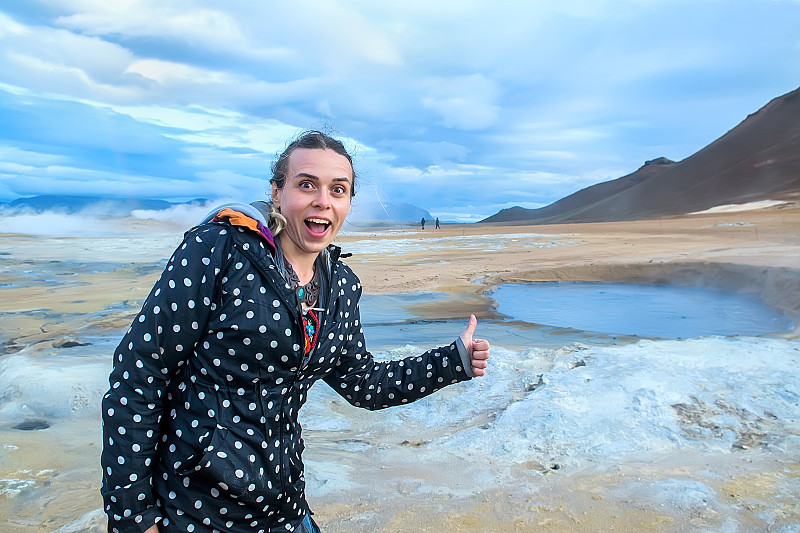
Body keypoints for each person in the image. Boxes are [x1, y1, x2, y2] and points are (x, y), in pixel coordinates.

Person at [100, 130, 490, 533]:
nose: (323, 200)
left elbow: (363, 384)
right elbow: (139, 376)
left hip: (283, 508)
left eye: (338, 190)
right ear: (277, 192)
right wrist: (133, 516)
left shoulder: (340, 286)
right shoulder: (221, 250)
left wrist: (452, 361)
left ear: (348, 204)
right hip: (195, 511)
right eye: (307, 184)